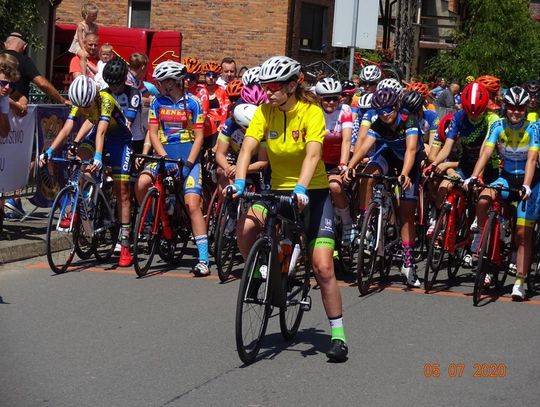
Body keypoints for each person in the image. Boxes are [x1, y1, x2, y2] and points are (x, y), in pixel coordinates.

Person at [228, 55, 349, 362]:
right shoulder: (264, 112)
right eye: (265, 86)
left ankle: (338, 334)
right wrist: (240, 182)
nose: (268, 92)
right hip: (277, 189)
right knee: (246, 227)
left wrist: (301, 188)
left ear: (293, 85)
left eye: (275, 86)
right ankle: (261, 273)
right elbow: (247, 149)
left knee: (322, 266)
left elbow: (312, 156)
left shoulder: (311, 112)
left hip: (314, 191)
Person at [40, 75, 134, 267]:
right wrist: (49, 151)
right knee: (81, 162)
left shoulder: (105, 100)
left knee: (122, 191)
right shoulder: (80, 100)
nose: (85, 109)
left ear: (94, 96)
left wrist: (98, 157)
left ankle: (124, 244)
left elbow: (101, 131)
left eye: (88, 105)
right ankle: (80, 207)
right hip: (98, 136)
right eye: (82, 107)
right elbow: (67, 128)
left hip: (119, 140)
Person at [135, 61, 210, 276]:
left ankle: (203, 259)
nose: (158, 84)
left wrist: (188, 165)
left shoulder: (193, 103)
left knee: (192, 204)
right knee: (142, 183)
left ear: (173, 82)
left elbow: (199, 138)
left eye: (162, 81)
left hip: (188, 156)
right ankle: (150, 221)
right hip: (165, 153)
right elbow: (153, 133)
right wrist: (164, 157)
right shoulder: (158, 102)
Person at [466, 86, 540, 301]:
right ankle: (483, 236)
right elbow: (487, 152)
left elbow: (532, 159)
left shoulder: (533, 128)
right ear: (506, 107)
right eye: (512, 108)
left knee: (521, 234)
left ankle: (520, 280)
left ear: (525, 109)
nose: (516, 112)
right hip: (506, 176)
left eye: (520, 108)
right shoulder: (498, 125)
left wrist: (526, 186)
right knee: (483, 199)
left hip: (531, 181)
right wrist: (473, 176)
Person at [347, 87, 423, 288]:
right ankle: (365, 221)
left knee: (406, 214)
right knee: (367, 176)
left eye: (389, 109)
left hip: (409, 161)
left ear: (397, 106)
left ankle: (408, 263)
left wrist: (405, 173)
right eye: (380, 110)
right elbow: (363, 147)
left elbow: (411, 150)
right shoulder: (379, 123)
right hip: (389, 155)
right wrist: (350, 166)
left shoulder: (410, 120)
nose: (385, 114)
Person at [314, 77, 355, 246]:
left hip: (336, 160)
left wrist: (343, 164)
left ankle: (347, 222)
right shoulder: (313, 111)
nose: (331, 102)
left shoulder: (344, 110)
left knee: (335, 187)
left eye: (335, 98)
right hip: (317, 160)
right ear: (319, 99)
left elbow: (346, 140)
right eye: (326, 98)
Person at [1, 32, 68, 115]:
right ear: (24, 47)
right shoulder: (24, 60)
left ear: (5, 44)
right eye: (4, 83)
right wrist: (62, 100)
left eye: (10, 83)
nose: (7, 87)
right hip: (15, 113)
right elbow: (42, 83)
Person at [68, 2, 99, 76]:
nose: (95, 17)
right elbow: (80, 39)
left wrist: (95, 51)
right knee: (83, 55)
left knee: (98, 55)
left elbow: (95, 38)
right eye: (93, 16)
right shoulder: (81, 25)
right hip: (78, 45)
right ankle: (83, 74)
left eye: (96, 15)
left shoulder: (95, 26)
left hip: (88, 44)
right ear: (86, 15)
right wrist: (84, 50)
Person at [0, 53, 19, 137]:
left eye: (11, 85)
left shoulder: (4, 97)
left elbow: (5, 133)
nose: (7, 87)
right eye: (4, 83)